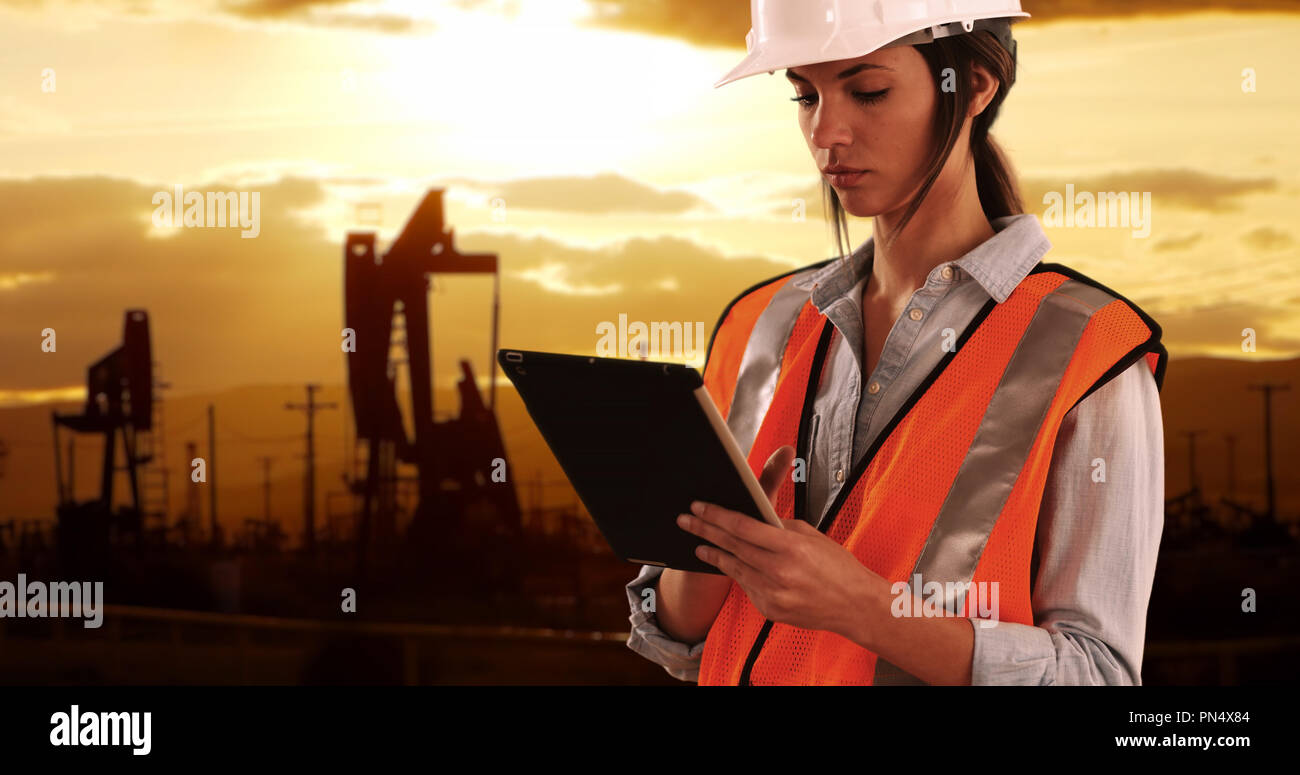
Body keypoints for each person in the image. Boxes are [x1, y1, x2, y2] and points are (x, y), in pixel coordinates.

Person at [624, 0, 1168, 685]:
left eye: (868, 90)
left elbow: (1099, 676)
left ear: (974, 84)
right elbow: (677, 636)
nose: (827, 131)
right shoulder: (760, 324)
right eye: (805, 93)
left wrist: (866, 608)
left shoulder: (1086, 350)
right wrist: (714, 554)